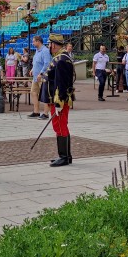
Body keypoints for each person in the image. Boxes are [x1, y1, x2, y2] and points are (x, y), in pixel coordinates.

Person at [44, 32, 75, 167]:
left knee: (60, 126)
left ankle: (64, 156)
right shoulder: (61, 57)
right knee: (61, 126)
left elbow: (61, 83)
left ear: (54, 45)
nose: (49, 47)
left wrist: (59, 101)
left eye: (50, 44)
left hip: (59, 99)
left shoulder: (61, 59)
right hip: (57, 99)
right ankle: (66, 155)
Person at [29, 34, 51, 120]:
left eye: (34, 41)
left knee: (45, 95)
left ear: (38, 41)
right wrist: (32, 69)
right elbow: (36, 62)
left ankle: (45, 113)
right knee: (33, 92)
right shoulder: (37, 50)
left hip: (42, 76)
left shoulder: (45, 51)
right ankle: (36, 111)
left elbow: (47, 63)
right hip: (35, 76)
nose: (33, 43)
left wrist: (41, 73)